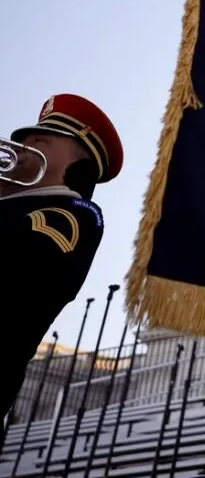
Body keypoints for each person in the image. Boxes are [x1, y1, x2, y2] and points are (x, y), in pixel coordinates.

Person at [0, 94, 123, 420]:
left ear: (75, 167)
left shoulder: (74, 216)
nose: (21, 147)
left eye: (39, 141)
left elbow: (19, 257)